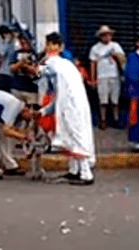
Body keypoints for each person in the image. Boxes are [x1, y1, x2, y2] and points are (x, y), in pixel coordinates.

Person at [37, 32, 96, 185]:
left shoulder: (57, 63)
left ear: (60, 46)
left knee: (77, 138)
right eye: (49, 44)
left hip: (72, 107)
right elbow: (57, 93)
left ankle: (86, 174)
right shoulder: (62, 64)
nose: (50, 47)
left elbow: (40, 72)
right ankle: (74, 170)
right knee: (69, 138)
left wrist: (31, 67)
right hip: (67, 105)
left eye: (53, 44)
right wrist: (43, 111)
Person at [89, 25, 125, 130]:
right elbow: (92, 63)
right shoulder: (95, 48)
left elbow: (123, 60)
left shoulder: (116, 46)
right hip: (102, 77)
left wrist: (116, 56)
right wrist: (93, 78)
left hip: (114, 76)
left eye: (108, 35)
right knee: (103, 101)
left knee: (115, 101)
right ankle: (103, 121)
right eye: (104, 35)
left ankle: (116, 119)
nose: (106, 37)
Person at [8, 32, 38, 104]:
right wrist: (20, 63)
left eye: (25, 42)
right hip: (17, 88)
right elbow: (11, 68)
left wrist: (27, 66)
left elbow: (36, 71)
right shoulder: (15, 53)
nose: (23, 45)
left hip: (31, 90)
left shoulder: (35, 55)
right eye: (21, 42)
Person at [0, 25, 17, 91]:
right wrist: (7, 41)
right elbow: (2, 53)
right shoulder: (3, 42)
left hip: (12, 74)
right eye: (4, 33)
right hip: (4, 72)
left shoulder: (15, 43)